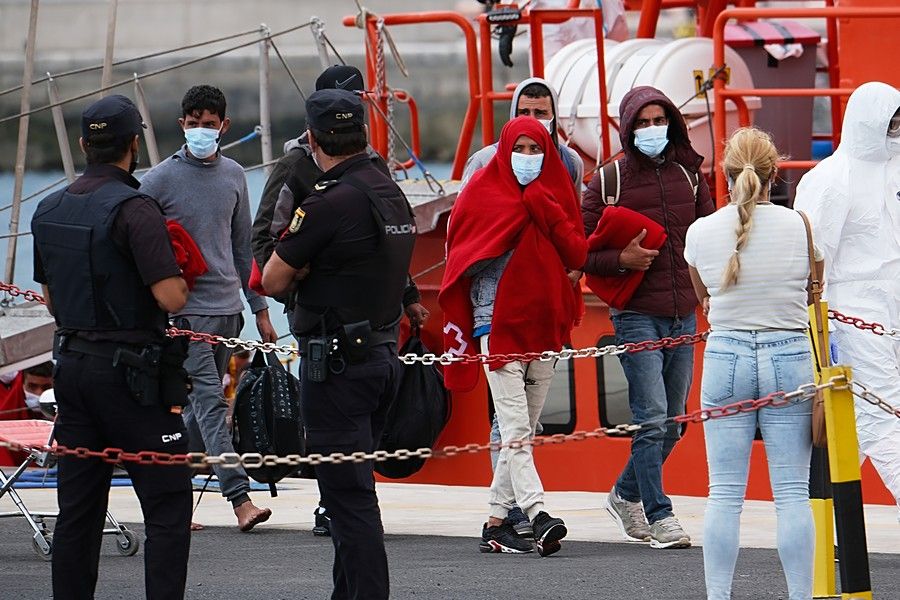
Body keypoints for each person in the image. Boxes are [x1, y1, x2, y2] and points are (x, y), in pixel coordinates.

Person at [251, 65, 429, 538]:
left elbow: (386, 245)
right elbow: (264, 235)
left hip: (376, 314)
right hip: (319, 311)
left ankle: (349, 500)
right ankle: (337, 503)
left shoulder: (372, 171)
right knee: (334, 426)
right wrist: (289, 277)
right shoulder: (294, 168)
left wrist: (408, 295)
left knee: (360, 428)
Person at [30, 94, 192, 599]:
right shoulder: (135, 209)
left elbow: (52, 300)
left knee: (78, 509)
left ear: (83, 145)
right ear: (134, 144)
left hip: (73, 368)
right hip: (133, 377)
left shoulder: (49, 207)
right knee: (166, 506)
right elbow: (170, 295)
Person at [440, 116, 587, 556]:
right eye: (520, 149)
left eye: (536, 149)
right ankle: (538, 514)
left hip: (545, 326)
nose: (528, 158)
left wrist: (543, 212)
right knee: (516, 426)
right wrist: (510, 236)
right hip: (496, 323)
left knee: (522, 428)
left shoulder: (554, 192)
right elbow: (463, 260)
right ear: (505, 149)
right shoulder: (482, 192)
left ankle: (494, 523)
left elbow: (576, 252)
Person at [685, 127, 821, 599]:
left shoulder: (700, 232)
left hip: (726, 356)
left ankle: (719, 596)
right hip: (789, 356)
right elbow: (812, 285)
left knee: (723, 494)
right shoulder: (800, 225)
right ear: (773, 175)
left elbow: (703, 296)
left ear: (723, 174)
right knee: (791, 495)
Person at [581, 85, 714, 548]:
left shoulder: (690, 174)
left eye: (659, 120)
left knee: (674, 422)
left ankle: (625, 494)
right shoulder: (608, 179)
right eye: (643, 121)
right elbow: (578, 251)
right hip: (636, 313)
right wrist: (622, 260)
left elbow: (707, 237)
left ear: (672, 123)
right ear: (628, 127)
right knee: (652, 416)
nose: (652, 129)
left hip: (683, 312)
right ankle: (660, 516)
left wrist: (709, 293)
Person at [139, 84, 273, 532]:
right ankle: (240, 500)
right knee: (212, 403)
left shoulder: (234, 174)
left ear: (224, 126)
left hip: (228, 310)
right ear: (182, 125)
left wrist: (259, 310)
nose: (201, 131)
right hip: (184, 316)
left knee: (198, 405)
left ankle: (172, 500)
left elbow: (242, 247)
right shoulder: (157, 180)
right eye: (193, 124)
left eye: (209, 125)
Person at [794, 81, 900, 516]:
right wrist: (825, 333)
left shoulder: (895, 167)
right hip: (854, 314)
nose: (895, 130)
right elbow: (814, 264)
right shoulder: (829, 181)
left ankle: (816, 518)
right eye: (890, 123)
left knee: (854, 426)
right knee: (884, 415)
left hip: (889, 308)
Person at [462, 77, 584, 189]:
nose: (531, 120)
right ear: (514, 114)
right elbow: (463, 210)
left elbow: (573, 210)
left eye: (540, 113)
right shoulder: (484, 160)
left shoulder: (570, 162)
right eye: (524, 112)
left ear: (554, 117)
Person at [0, 362, 55, 466]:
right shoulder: (4, 422)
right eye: (32, 386)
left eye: (46, 387)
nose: (38, 393)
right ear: (22, 385)